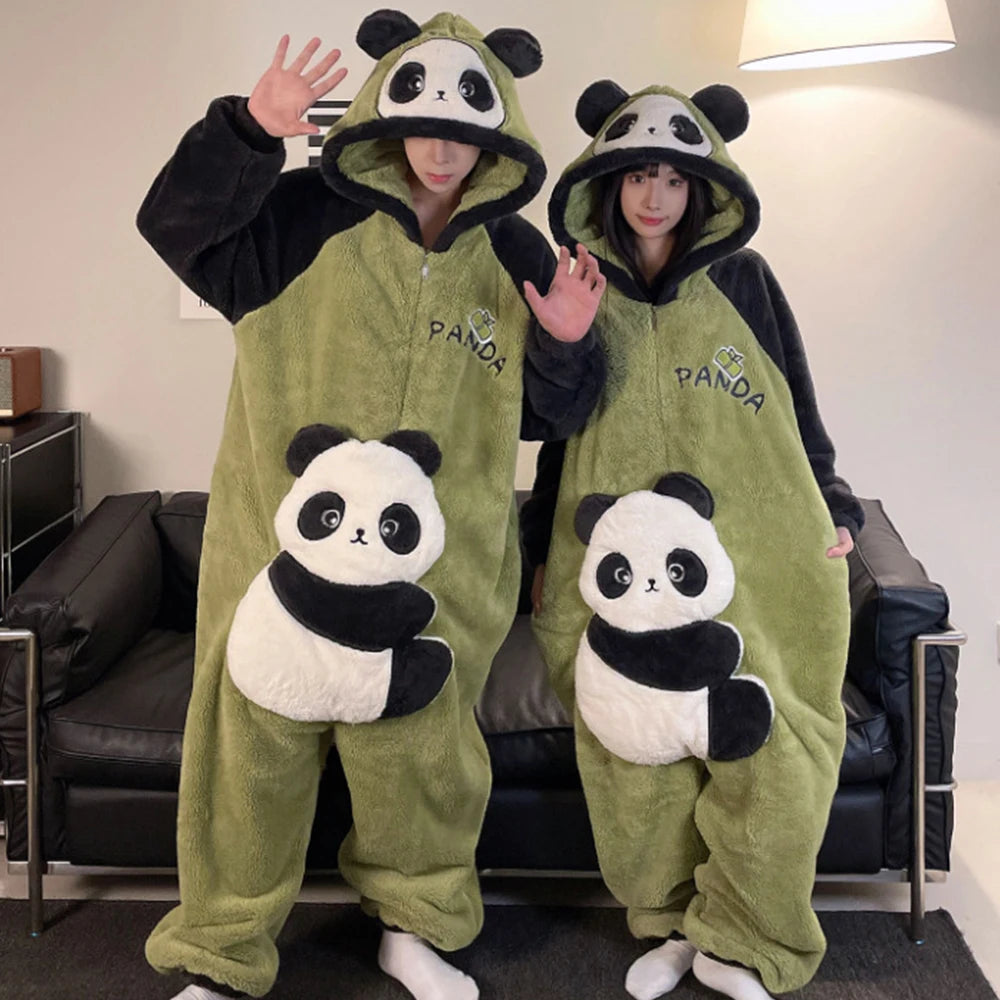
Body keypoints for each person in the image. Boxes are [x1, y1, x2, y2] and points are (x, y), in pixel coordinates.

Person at [137, 11, 606, 1000]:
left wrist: (565, 342)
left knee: (422, 769)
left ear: (497, 135)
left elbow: (549, 417)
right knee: (247, 769)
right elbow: (178, 231)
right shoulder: (303, 215)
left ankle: (414, 930)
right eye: (423, 125)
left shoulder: (516, 250)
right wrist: (249, 131)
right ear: (381, 120)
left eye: (466, 132)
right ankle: (221, 955)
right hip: (276, 569)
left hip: (433, 582)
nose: (442, 148)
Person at [520, 79, 864, 1000]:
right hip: (614, 561)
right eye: (638, 173)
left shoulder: (743, 281)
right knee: (634, 752)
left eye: (675, 175)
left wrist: (833, 501)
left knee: (770, 746)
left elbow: (793, 405)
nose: (655, 194)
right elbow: (549, 424)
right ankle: (674, 925)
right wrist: (542, 546)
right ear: (608, 180)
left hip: (744, 548)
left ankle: (746, 938)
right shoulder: (579, 275)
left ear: (706, 186)